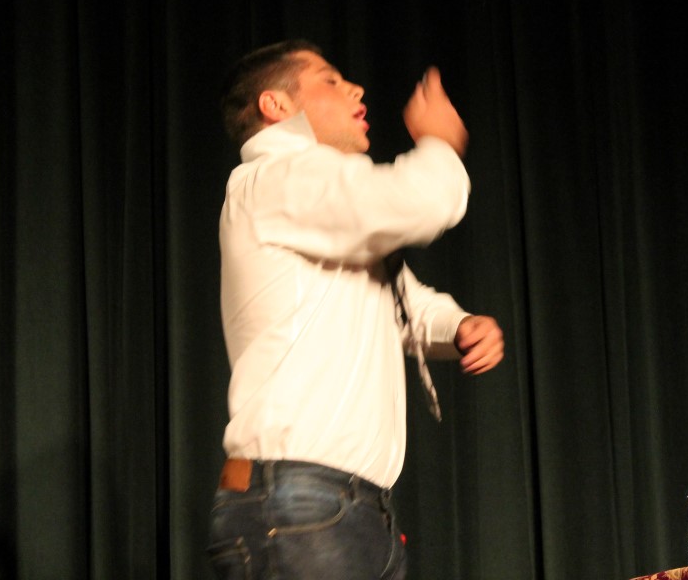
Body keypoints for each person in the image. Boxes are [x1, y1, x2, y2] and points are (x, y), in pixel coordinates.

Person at [206, 39, 504, 579]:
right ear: (276, 105)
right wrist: (438, 142)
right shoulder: (279, 176)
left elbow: (400, 299)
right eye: (330, 80)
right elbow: (417, 201)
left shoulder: (314, 197)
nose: (356, 90)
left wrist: (456, 325)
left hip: (342, 507)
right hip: (302, 502)